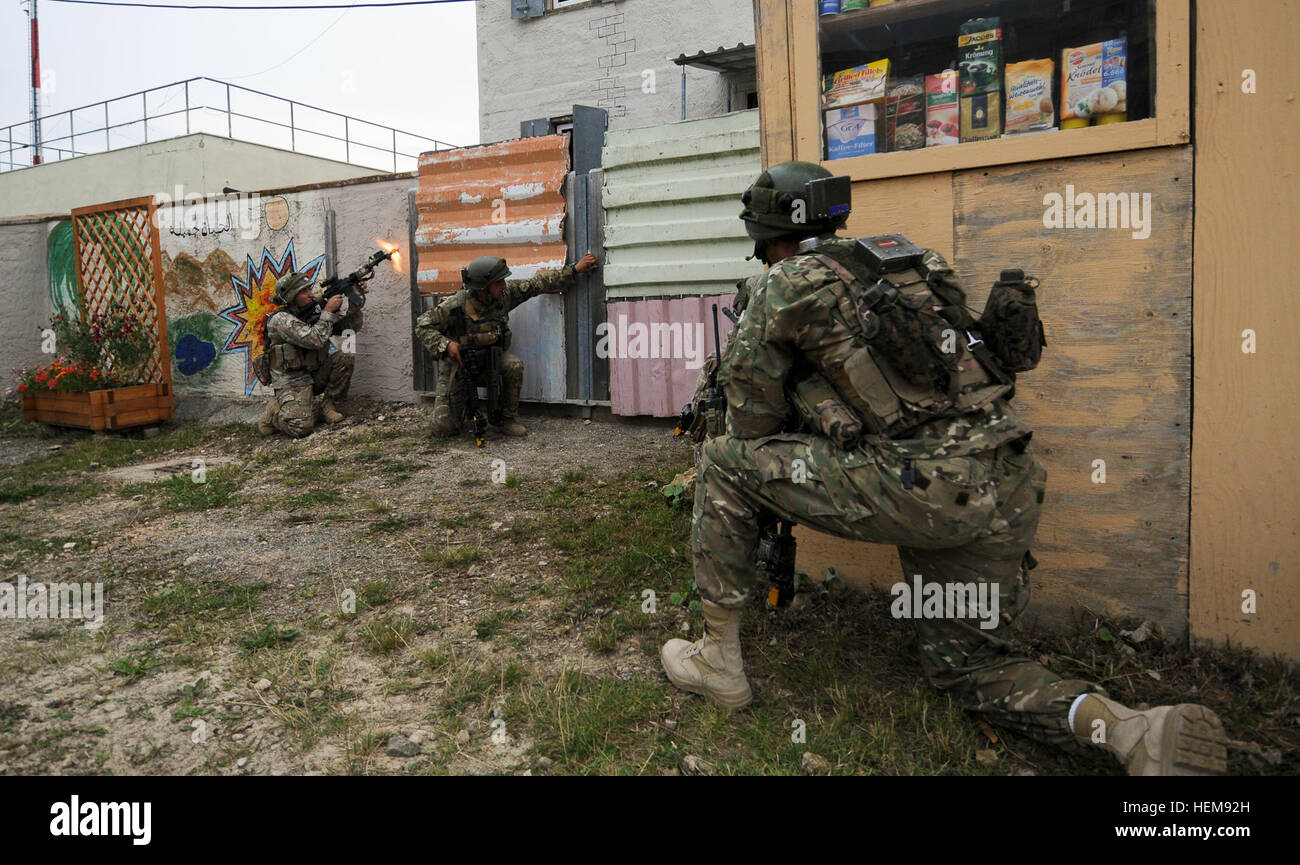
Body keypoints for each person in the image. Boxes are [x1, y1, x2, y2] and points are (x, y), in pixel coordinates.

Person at [660, 161, 1228, 776]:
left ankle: (719, 659)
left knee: (723, 461)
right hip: (1005, 479)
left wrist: (803, 391)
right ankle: (1128, 731)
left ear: (768, 233)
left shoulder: (784, 284)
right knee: (973, 670)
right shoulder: (912, 262)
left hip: (922, 491)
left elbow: (749, 424)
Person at [415, 252, 598, 438]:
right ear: (483, 288)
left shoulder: (503, 296)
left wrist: (574, 270)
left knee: (513, 365)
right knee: (445, 429)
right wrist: (446, 345)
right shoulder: (456, 304)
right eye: (498, 282)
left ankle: (506, 419)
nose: (503, 285)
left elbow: (536, 284)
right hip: (460, 366)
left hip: (490, 361)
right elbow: (423, 324)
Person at [257, 272, 364, 438]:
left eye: (309, 289)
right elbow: (315, 340)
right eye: (303, 291)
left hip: (313, 372)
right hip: (292, 382)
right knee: (300, 428)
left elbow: (348, 327)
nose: (310, 294)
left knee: (344, 357)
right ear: (291, 296)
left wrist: (356, 298)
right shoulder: (281, 320)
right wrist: (327, 311)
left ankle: (326, 404)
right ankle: (274, 414)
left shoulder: (311, 311)